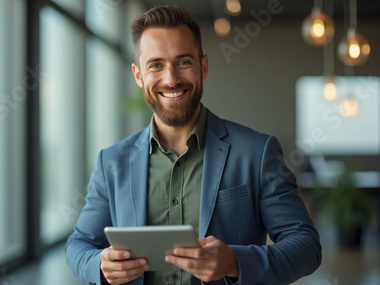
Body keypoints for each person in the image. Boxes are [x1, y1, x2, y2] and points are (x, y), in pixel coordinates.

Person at [65, 5, 321, 285]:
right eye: (156, 65)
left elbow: (306, 246)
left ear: (204, 66)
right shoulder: (111, 161)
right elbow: (79, 244)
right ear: (139, 75)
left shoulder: (256, 153)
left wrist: (235, 262)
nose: (171, 78)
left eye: (183, 62)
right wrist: (98, 265)